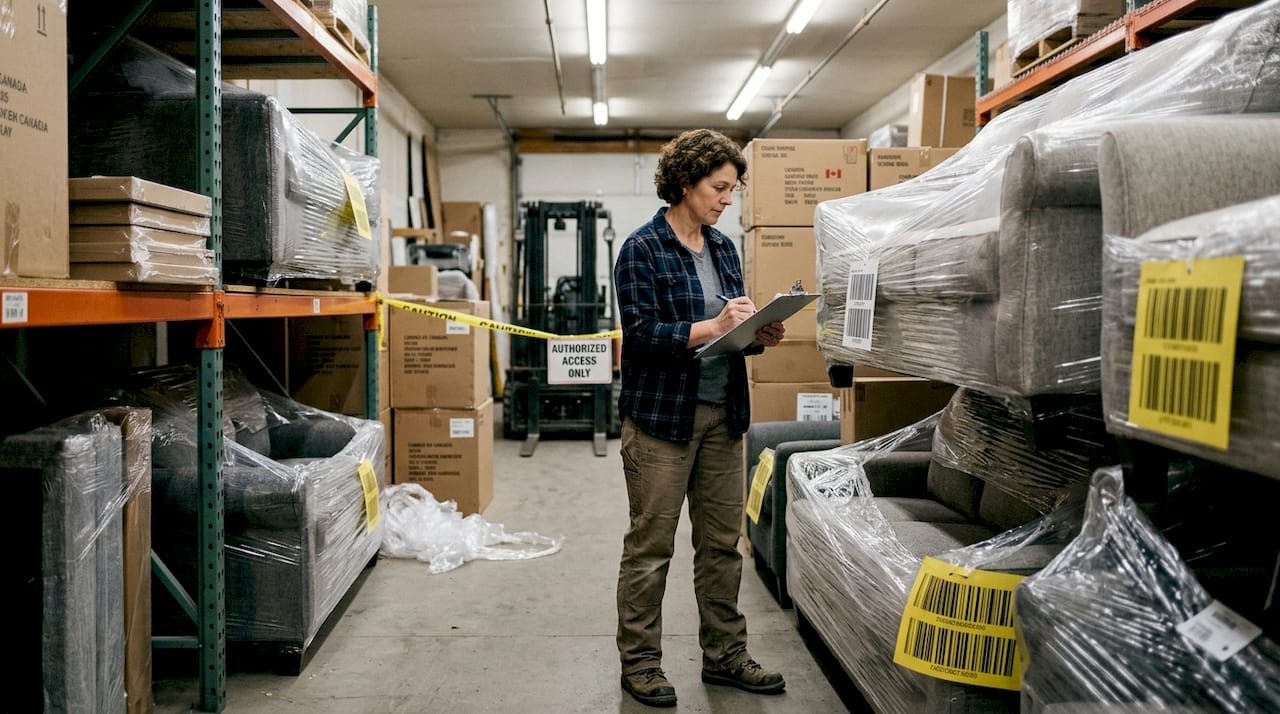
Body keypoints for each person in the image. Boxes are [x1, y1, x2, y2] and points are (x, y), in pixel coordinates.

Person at [612, 128, 786, 708]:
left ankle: (726, 655)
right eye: (718, 187)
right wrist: (712, 327)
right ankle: (640, 665)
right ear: (685, 182)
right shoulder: (641, 249)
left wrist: (757, 334)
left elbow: (731, 333)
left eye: (732, 189)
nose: (726, 199)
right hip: (663, 421)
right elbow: (640, 337)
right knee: (651, 546)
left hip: (723, 416)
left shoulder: (724, 249)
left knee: (720, 546)